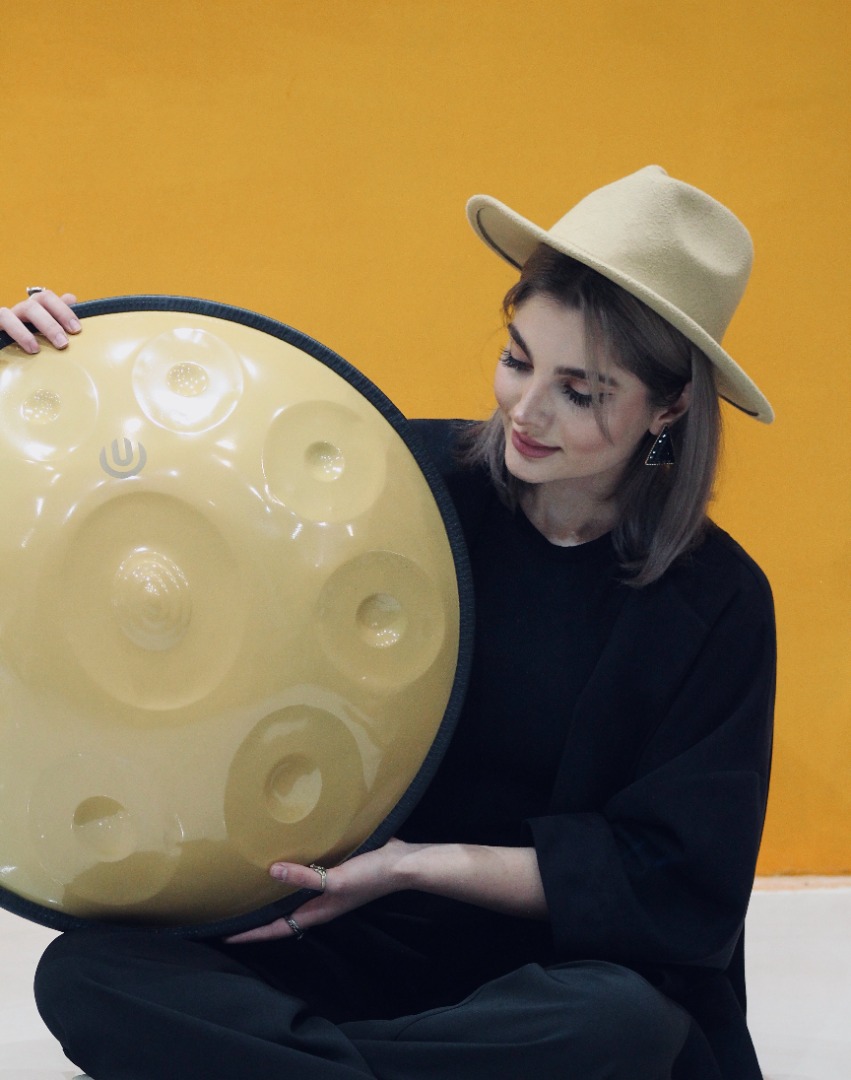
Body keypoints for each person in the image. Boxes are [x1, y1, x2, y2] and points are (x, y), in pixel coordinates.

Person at [2, 165, 775, 1080]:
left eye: (581, 391)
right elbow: (178, 526)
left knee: (623, 1025)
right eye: (517, 359)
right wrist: (35, 367)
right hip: (348, 936)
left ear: (669, 405)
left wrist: (415, 864)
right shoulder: (405, 481)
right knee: (88, 973)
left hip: (550, 966)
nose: (525, 411)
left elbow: (674, 885)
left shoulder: (717, 601)